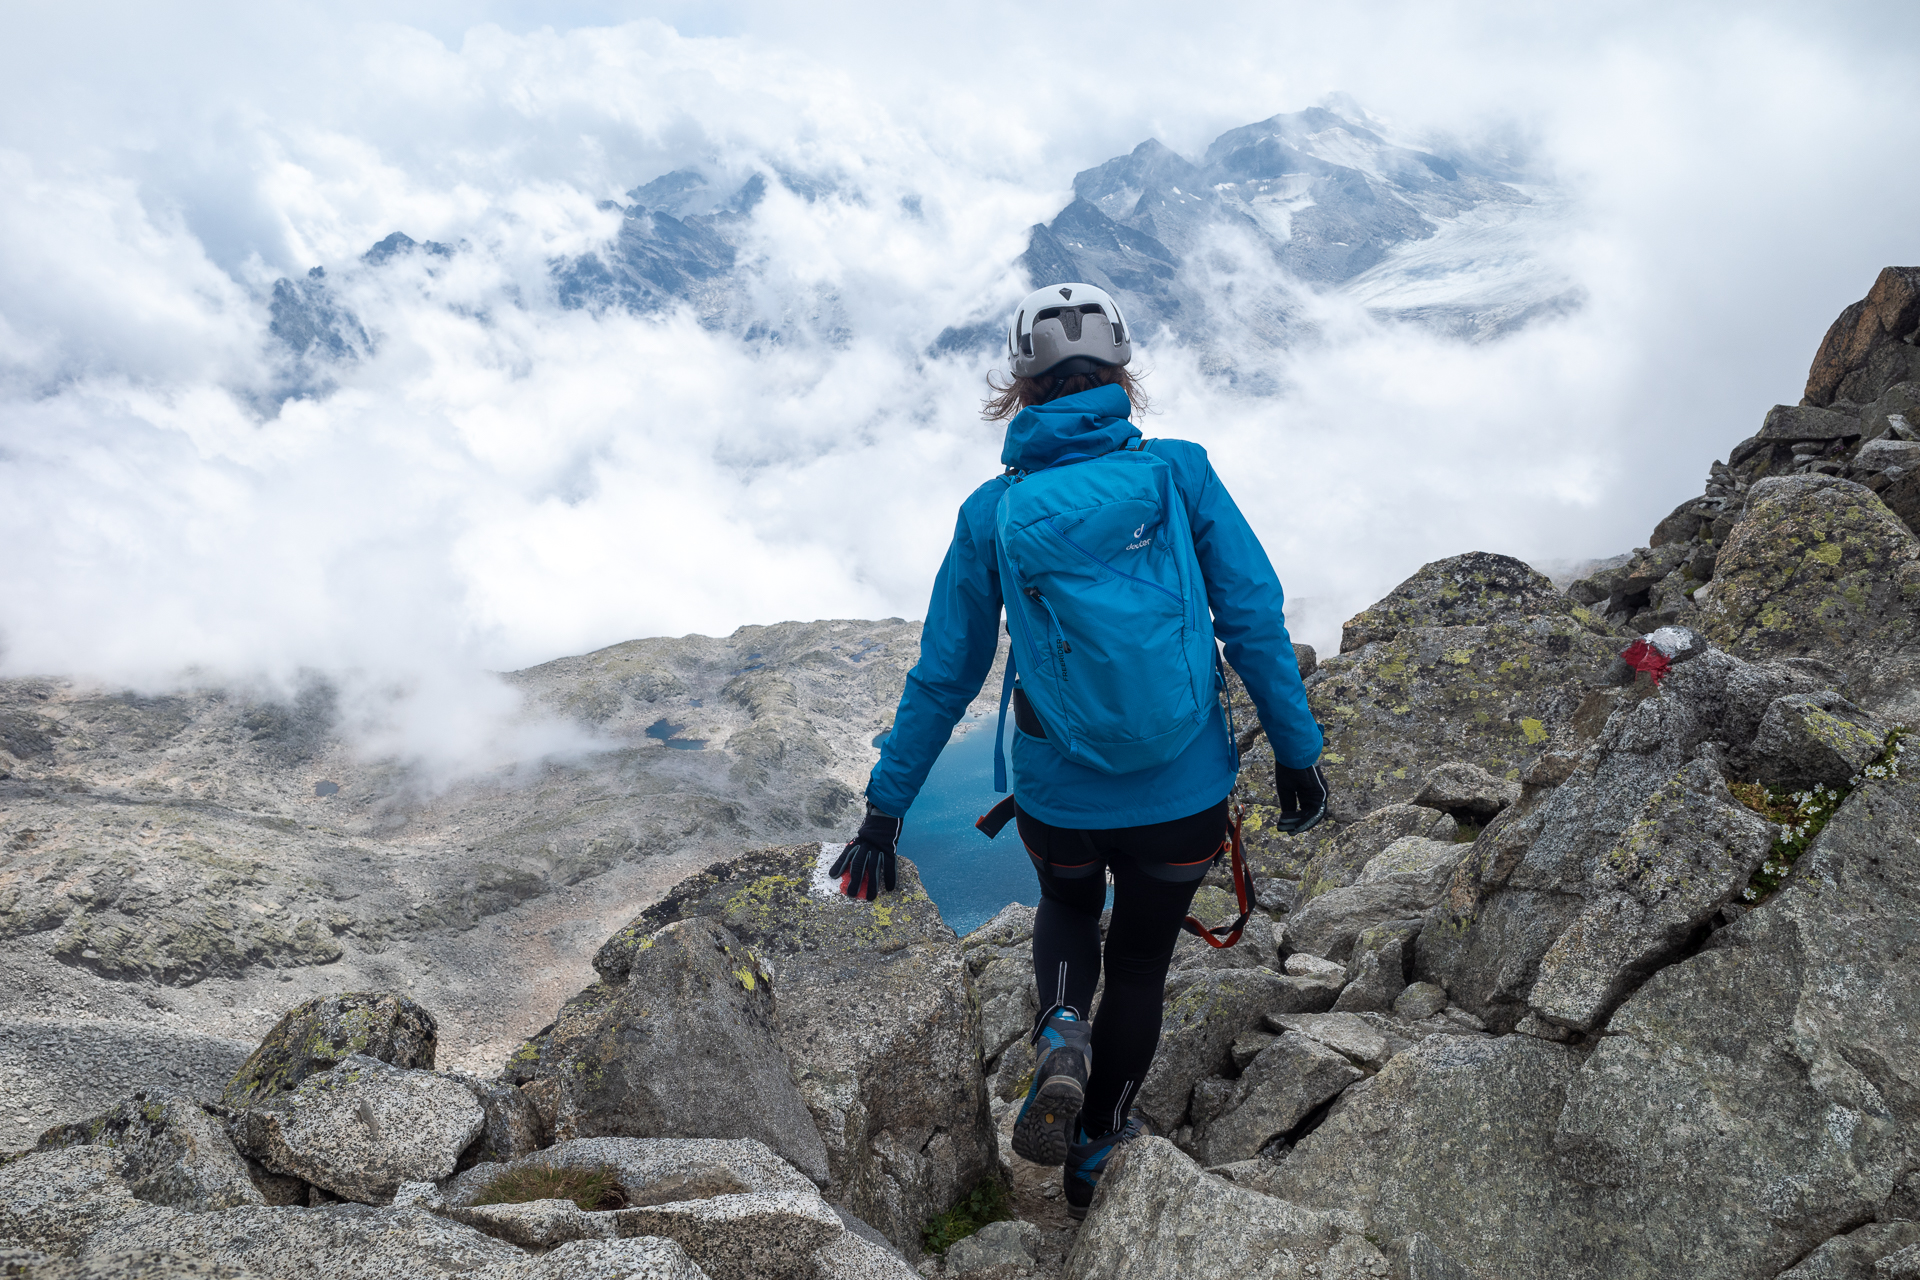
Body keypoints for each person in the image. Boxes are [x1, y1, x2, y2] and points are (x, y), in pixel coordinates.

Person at [830, 282, 1327, 1219]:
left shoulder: (992, 513)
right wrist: (1297, 752)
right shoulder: (1181, 473)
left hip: (1059, 789)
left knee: (1066, 904)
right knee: (1140, 967)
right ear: (1122, 377)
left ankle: (1062, 1025)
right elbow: (1254, 618)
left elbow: (946, 675)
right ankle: (1097, 1148)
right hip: (1182, 790)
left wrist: (884, 810)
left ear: (1018, 390)